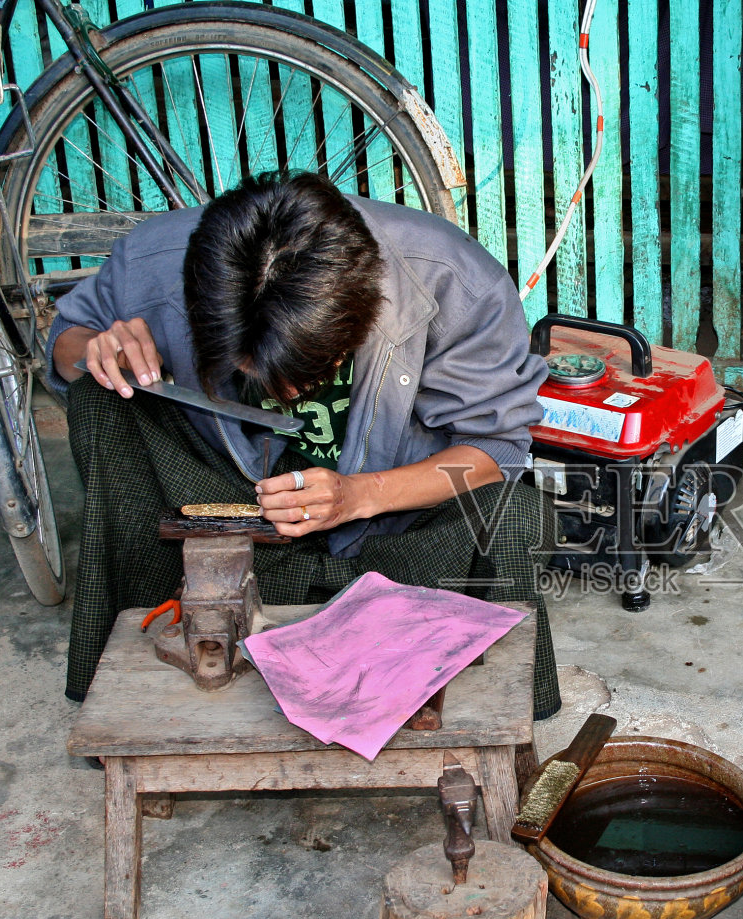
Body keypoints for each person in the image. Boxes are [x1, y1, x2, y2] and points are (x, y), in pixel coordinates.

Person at [47, 171, 559, 716]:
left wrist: (360, 496)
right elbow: (64, 342)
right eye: (251, 372)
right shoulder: (153, 261)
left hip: (391, 517)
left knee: (517, 517)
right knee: (100, 400)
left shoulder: (452, 279)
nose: (285, 395)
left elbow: (495, 446)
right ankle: (127, 684)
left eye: (309, 373)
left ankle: (490, 710)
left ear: (363, 311)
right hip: (229, 495)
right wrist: (95, 350)